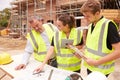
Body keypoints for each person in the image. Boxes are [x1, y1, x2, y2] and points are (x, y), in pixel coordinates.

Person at [80, 0, 120, 76]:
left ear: (97, 13)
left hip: (101, 71)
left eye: (88, 16)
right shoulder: (91, 26)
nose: (85, 19)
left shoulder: (109, 26)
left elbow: (118, 51)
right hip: (90, 67)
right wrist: (82, 53)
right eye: (84, 16)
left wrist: (97, 62)